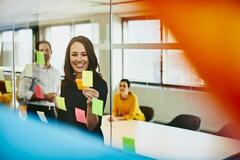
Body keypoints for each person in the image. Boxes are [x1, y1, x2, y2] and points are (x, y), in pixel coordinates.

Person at [58, 36, 108, 138]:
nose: (79, 59)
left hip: (89, 143)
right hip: (67, 141)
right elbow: (62, 118)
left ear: (90, 57)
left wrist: (90, 105)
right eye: (74, 54)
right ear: (69, 57)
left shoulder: (99, 85)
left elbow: (92, 126)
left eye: (84, 54)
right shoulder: (65, 84)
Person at [18, 40, 61, 121]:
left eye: (47, 50)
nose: (45, 52)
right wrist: (45, 97)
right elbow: (22, 94)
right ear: (37, 53)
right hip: (35, 110)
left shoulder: (57, 72)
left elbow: (58, 95)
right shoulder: (29, 68)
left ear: (51, 52)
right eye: (41, 50)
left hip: (52, 111)